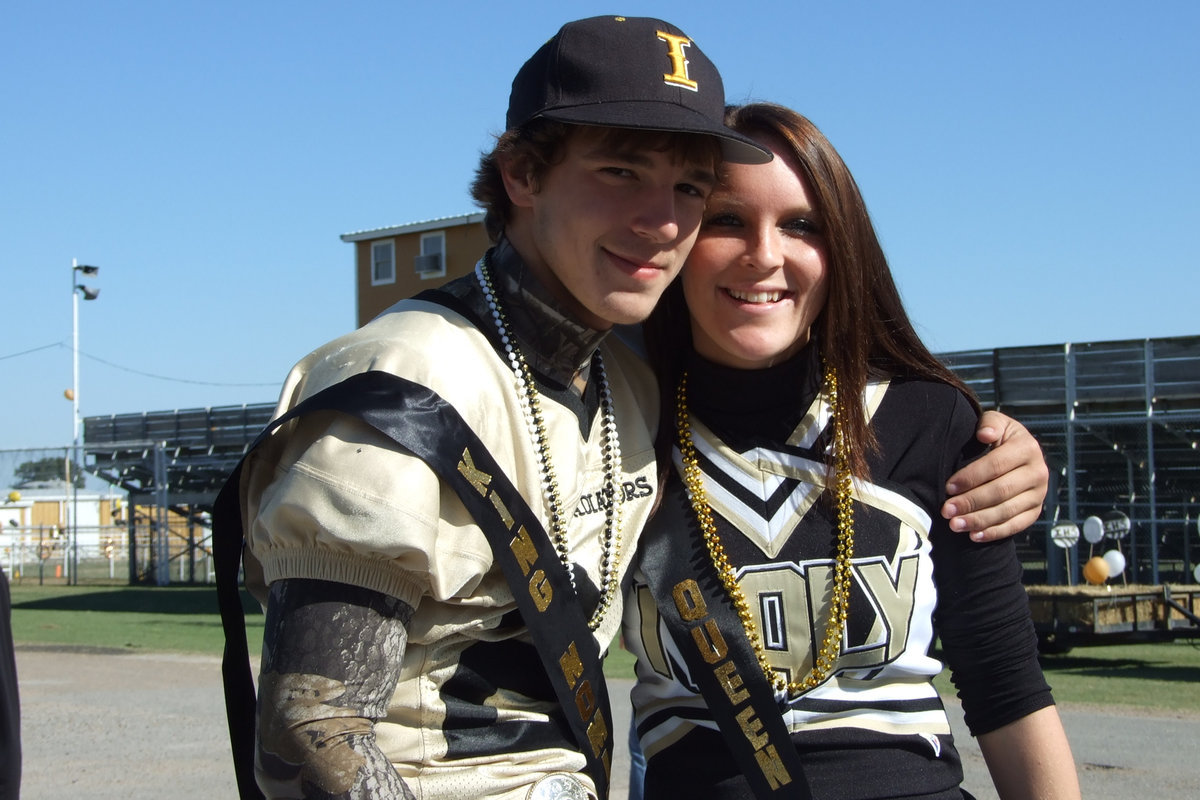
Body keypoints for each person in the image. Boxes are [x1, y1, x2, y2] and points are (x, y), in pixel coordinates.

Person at [215, 18, 1050, 800]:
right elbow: (308, 732)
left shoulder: (627, 384)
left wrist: (1004, 444)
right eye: (622, 171)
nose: (662, 222)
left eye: (689, 186)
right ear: (523, 173)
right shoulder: (405, 378)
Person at [623, 103, 1079, 800]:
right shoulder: (613, 423)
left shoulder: (930, 420)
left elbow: (1006, 687)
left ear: (843, 248)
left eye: (802, 225)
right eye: (727, 220)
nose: (766, 254)